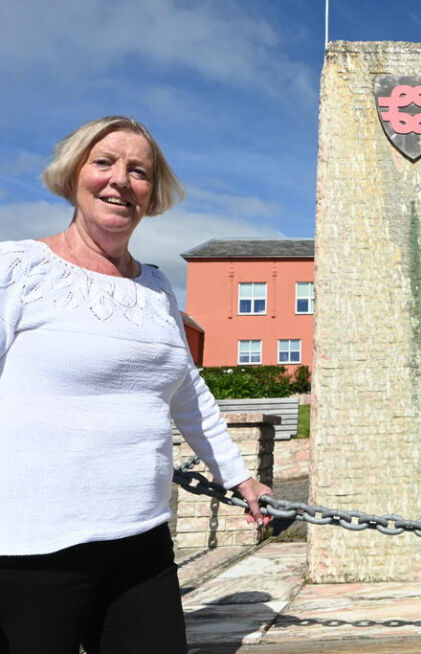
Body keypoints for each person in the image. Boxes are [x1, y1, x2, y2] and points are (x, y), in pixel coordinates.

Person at [0, 116, 272, 654]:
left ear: (152, 192)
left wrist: (241, 479)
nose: (120, 180)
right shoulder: (17, 268)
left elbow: (188, 394)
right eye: (103, 162)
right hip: (30, 547)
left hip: (141, 543)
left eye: (138, 171)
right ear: (73, 173)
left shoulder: (155, 287)